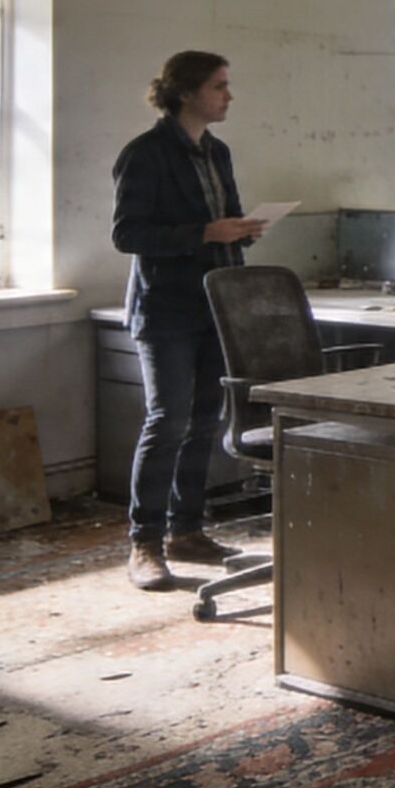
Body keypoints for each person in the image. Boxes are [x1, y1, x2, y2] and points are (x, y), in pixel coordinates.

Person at [112, 51, 264, 591]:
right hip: (166, 308)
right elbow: (128, 235)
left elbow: (223, 219)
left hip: (215, 303)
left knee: (204, 420)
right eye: (219, 86)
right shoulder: (146, 154)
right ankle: (145, 543)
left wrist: (241, 231)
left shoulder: (216, 151)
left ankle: (186, 531)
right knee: (168, 421)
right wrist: (205, 234)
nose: (228, 95)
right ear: (186, 93)